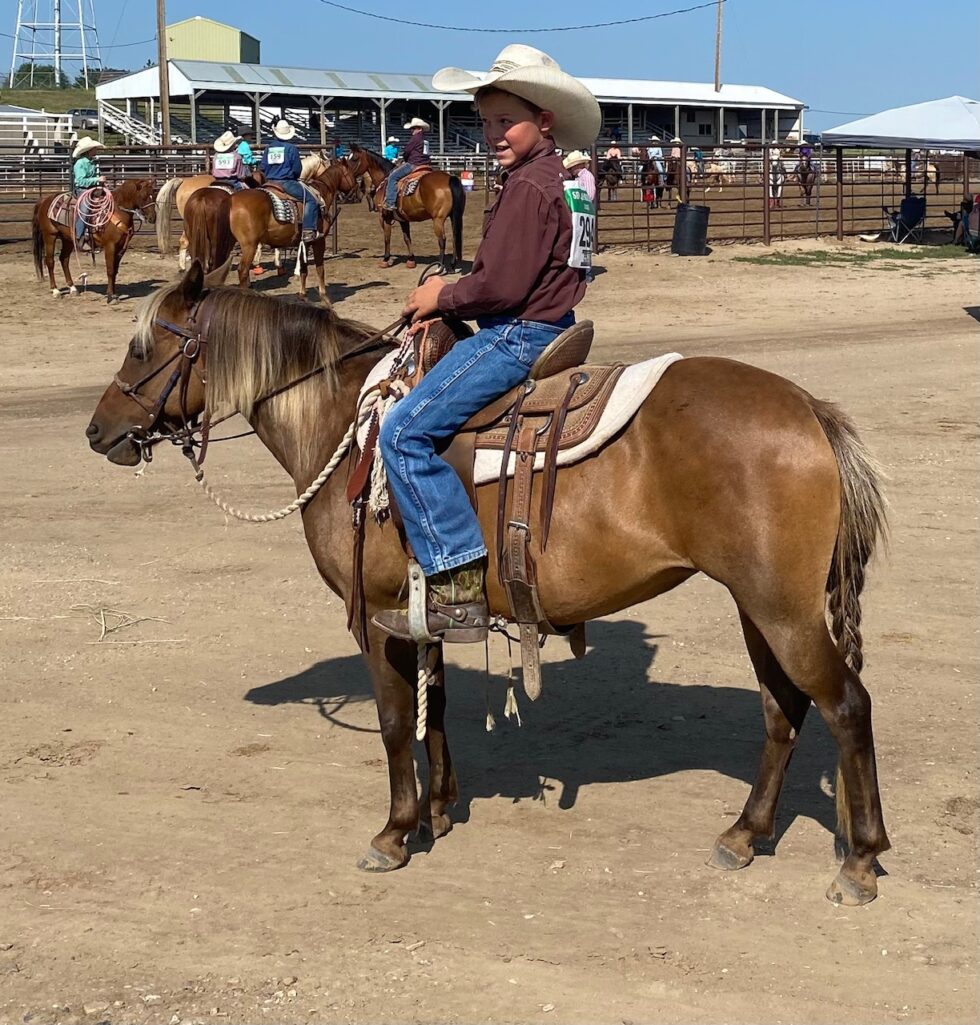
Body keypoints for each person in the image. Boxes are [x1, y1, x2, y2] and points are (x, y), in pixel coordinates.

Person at [373, 43, 601, 642]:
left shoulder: (528, 187)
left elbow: (501, 285)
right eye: (488, 122)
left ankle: (458, 588)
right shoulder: (567, 177)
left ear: (543, 120)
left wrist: (440, 297)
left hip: (518, 335)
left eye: (508, 122)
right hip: (555, 324)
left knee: (404, 432)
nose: (494, 134)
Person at [260, 119, 320, 243]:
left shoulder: (269, 148)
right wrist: (294, 176)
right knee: (311, 200)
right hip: (286, 183)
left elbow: (263, 167)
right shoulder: (291, 148)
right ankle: (308, 230)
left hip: (269, 183)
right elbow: (297, 169)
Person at [383, 117, 430, 211]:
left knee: (392, 177)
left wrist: (404, 158)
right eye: (411, 128)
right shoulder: (425, 140)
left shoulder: (415, 138)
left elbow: (407, 151)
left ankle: (390, 202)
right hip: (425, 165)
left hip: (414, 164)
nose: (411, 130)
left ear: (419, 128)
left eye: (413, 128)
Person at [71, 136, 105, 246]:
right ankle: (78, 236)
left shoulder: (90, 162)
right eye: (94, 148)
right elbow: (80, 181)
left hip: (91, 189)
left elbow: (91, 178)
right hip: (82, 190)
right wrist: (97, 179)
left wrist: (99, 183)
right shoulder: (80, 163)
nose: (96, 150)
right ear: (89, 150)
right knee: (84, 211)